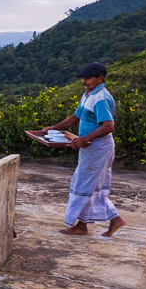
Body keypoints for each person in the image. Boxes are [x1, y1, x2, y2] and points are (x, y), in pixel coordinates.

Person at [43, 62, 126, 237]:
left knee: (83, 185)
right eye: (83, 77)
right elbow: (75, 117)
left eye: (88, 77)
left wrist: (84, 139)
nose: (84, 80)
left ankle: (82, 226)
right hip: (90, 147)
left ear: (100, 78)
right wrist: (54, 128)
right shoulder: (88, 94)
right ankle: (114, 218)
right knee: (91, 186)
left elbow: (109, 126)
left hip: (98, 147)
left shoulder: (101, 98)